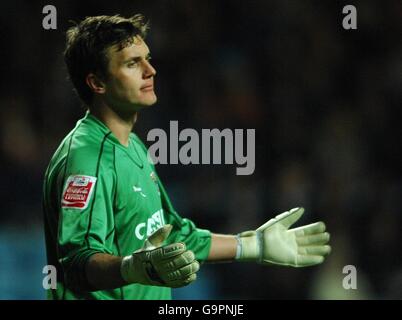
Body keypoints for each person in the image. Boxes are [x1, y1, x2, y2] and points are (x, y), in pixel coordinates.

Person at [42, 14, 331, 300]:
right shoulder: (87, 159)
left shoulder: (133, 146)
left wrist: (253, 245)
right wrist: (133, 268)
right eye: (132, 63)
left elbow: (171, 233)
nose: (150, 70)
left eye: (147, 58)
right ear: (97, 83)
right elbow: (77, 264)